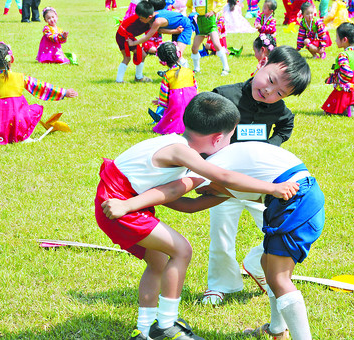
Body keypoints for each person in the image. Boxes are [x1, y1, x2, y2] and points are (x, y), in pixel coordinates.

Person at [95, 92, 299, 340]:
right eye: (230, 136)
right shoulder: (182, 153)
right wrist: (272, 188)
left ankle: (145, 329)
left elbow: (182, 202)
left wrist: (230, 196)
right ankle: (166, 326)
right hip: (119, 204)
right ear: (217, 138)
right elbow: (220, 177)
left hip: (121, 202)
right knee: (182, 250)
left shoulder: (174, 144)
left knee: (159, 261)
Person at [106, 141, 324, 340]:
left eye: (204, 189)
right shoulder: (227, 180)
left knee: (279, 277)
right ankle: (277, 330)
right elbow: (189, 205)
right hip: (294, 198)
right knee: (267, 265)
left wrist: (131, 202)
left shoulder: (210, 168)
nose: (203, 192)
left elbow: (175, 189)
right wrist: (148, 196)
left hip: (295, 199)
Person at [201, 45, 311, 305]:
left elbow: (287, 123)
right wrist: (208, 165)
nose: (269, 92)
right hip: (223, 182)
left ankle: (256, 264)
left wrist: (270, 146)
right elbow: (203, 131)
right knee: (222, 232)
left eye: (280, 92)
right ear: (263, 62)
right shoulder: (223, 96)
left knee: (280, 227)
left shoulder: (278, 109)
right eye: (270, 80)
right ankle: (219, 284)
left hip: (261, 183)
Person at [0, 42, 78, 145]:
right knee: (35, 109)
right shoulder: (20, 77)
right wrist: (64, 92)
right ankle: (21, 135)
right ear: (12, 59)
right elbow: (42, 87)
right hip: (18, 122)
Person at [128, 0, 193, 68]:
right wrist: (175, 31)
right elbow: (160, 30)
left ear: (149, 17)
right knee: (174, 53)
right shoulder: (154, 16)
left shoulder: (157, 21)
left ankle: (186, 72)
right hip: (177, 27)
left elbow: (147, 36)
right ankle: (174, 72)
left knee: (177, 54)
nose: (140, 20)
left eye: (141, 18)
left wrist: (133, 43)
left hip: (185, 27)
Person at [150, 42, 197, 135]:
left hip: (176, 105)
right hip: (192, 104)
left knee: (168, 119)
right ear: (178, 54)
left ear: (162, 61)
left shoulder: (167, 75)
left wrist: (160, 102)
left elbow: (164, 97)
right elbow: (195, 88)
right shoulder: (190, 72)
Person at [322, 22, 354, 117]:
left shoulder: (343, 55)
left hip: (345, 85)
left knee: (328, 111)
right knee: (351, 98)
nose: (335, 40)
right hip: (353, 85)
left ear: (344, 39)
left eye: (337, 37)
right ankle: (350, 107)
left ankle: (346, 108)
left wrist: (338, 80)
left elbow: (347, 73)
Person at [187, 0, 230, 75]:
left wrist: (214, 11)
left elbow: (223, 1)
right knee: (194, 48)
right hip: (200, 23)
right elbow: (188, 5)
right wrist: (190, 13)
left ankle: (226, 67)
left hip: (210, 22)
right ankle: (196, 69)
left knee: (217, 44)